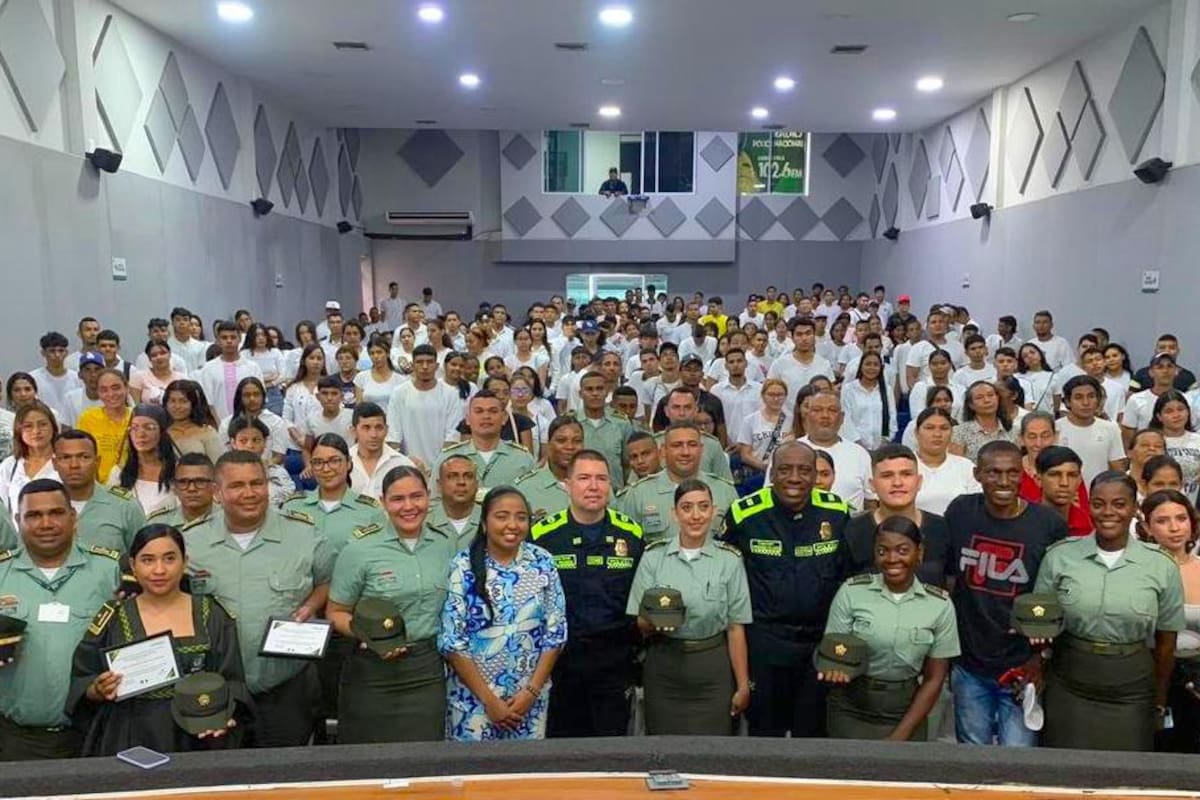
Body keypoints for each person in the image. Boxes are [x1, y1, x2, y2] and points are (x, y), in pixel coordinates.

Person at [183, 451, 334, 747]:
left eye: (257, 483)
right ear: (217, 492)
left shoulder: (304, 534)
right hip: (215, 690)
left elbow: (328, 581)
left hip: (285, 686)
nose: (249, 493)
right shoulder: (190, 542)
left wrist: (311, 606)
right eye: (237, 486)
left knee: (284, 780)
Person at [67, 524, 249, 755]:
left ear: (185, 562)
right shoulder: (112, 616)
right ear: (133, 565)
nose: (159, 570)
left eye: (169, 559)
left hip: (199, 736)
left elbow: (233, 681)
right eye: (148, 560)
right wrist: (97, 688)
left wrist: (224, 715)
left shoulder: (212, 613)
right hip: (130, 735)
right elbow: (83, 678)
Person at [1034, 471, 1185, 751]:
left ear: (1134, 509)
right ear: (1088, 505)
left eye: (1119, 504)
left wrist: (1160, 699)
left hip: (1131, 686)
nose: (1108, 512)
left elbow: (1166, 642)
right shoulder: (1060, 556)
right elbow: (1039, 619)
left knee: (1125, 773)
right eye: (1098, 504)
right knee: (1065, 768)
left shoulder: (1160, 566)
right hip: (1070, 680)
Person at [720, 441, 851, 737]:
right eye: (785, 470)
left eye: (804, 470)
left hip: (818, 644)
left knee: (813, 734)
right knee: (765, 732)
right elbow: (725, 574)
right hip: (765, 643)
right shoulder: (744, 515)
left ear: (816, 476)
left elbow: (848, 576)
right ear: (772, 473)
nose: (794, 478)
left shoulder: (837, 512)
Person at [944, 440, 1068, 746]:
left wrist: (1040, 660)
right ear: (977, 474)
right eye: (993, 472)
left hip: (1022, 665)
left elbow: (1054, 598)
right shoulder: (960, 511)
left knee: (1018, 759)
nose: (1003, 481)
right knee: (973, 755)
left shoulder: (1047, 523)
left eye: (1012, 472)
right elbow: (948, 581)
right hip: (969, 664)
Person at [325, 466, 458, 743]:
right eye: (397, 499)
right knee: (368, 761)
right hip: (372, 671)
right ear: (383, 501)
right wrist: (367, 635)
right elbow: (336, 612)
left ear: (428, 497)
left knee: (423, 759)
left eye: (416, 496)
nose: (408, 506)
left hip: (426, 670)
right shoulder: (359, 550)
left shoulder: (445, 545)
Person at [0, 479, 120, 759]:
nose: (46, 523)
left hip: (92, 733)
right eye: (34, 515)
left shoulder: (109, 571)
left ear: (72, 517)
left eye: (55, 513)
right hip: (13, 737)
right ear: (18, 520)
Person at [531, 451, 644, 737]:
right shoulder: (543, 536)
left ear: (610, 485)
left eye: (600, 478)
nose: (593, 486)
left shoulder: (631, 535)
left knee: (612, 746)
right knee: (564, 748)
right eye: (583, 478)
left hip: (615, 659)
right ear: (567, 484)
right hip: (561, 661)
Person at [439, 486, 567, 740]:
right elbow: (452, 642)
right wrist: (489, 701)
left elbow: (556, 632)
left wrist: (530, 692)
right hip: (474, 703)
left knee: (524, 776)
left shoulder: (543, 562)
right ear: (485, 522)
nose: (512, 524)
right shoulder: (463, 567)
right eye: (502, 516)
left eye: (521, 517)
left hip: (527, 702)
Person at [628, 478, 751, 735]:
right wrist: (656, 622)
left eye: (703, 507)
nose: (696, 516)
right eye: (686, 508)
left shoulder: (730, 560)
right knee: (663, 747)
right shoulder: (653, 557)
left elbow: (735, 628)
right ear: (674, 514)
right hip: (664, 666)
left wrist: (742, 685)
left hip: (713, 668)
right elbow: (638, 621)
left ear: (713, 511)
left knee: (713, 749)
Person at [821, 515, 959, 740]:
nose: (892, 559)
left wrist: (899, 737)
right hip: (851, 708)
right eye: (882, 551)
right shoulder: (851, 592)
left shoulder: (940, 606)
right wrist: (834, 668)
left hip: (907, 710)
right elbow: (834, 652)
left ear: (919, 553)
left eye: (903, 550)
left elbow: (935, 678)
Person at [1139, 490, 1200, 752]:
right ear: (1147, 527)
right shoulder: (1137, 570)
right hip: (1146, 675)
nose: (1175, 528)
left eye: (1181, 518)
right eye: (1163, 521)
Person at [843, 445, 951, 586]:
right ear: (872, 485)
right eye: (887, 476)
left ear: (919, 482)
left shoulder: (941, 528)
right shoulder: (853, 530)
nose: (897, 483)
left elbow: (951, 581)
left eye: (906, 474)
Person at [619, 422, 738, 544]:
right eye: (677, 445)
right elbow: (629, 548)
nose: (685, 452)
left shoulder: (725, 492)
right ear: (663, 451)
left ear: (701, 449)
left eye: (692, 445)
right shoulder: (639, 494)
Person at [283, 433, 387, 557]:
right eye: (318, 462)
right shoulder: (293, 506)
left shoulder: (370, 511)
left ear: (348, 463)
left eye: (334, 461)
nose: (326, 469)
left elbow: (381, 558)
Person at [46, 430, 146, 554]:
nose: (74, 465)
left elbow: (145, 555)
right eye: (66, 457)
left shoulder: (125, 506)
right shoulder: (42, 505)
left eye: (84, 457)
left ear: (97, 462)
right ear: (54, 464)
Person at [432, 391, 534, 496]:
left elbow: (533, 500)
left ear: (504, 418)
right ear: (467, 419)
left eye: (493, 411)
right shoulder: (447, 458)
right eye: (479, 411)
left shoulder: (523, 459)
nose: (486, 416)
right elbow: (433, 501)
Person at [1016, 412, 1092, 538]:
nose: (1039, 443)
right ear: (1021, 439)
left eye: (1045, 436)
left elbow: (1083, 513)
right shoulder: (1013, 472)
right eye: (1032, 436)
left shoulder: (1069, 470)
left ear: (1055, 436)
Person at [387, 344, 464, 469]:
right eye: (419, 362)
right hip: (408, 467)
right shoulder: (399, 393)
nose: (425, 367)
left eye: (429, 362)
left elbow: (453, 437)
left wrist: (438, 469)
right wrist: (405, 465)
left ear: (437, 366)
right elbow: (393, 437)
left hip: (442, 468)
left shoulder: (451, 394)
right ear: (412, 365)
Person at [798, 391, 874, 511]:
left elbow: (871, 501)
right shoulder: (789, 452)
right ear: (806, 416)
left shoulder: (860, 454)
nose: (825, 415)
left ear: (842, 418)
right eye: (818, 410)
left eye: (832, 410)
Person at [1055, 375, 1127, 484]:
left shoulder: (1111, 428)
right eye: (1078, 397)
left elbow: (1117, 467)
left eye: (1091, 396)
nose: (1086, 403)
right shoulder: (1055, 429)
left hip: (1099, 495)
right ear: (1068, 402)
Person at [108, 404, 177, 516]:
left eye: (149, 427)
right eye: (134, 428)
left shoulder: (178, 471)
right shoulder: (118, 473)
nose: (140, 434)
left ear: (162, 432)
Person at [912, 408, 980, 516]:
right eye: (929, 428)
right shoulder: (903, 466)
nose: (937, 434)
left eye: (944, 428)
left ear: (952, 432)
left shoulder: (965, 466)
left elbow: (976, 505)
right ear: (916, 432)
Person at [0, 402, 59, 525]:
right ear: (18, 430)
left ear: (53, 427)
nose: (36, 431)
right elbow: (4, 511)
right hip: (19, 540)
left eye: (42, 424)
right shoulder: (9, 466)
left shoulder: (64, 461)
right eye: (28, 426)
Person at [514, 415, 582, 523]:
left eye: (577, 441)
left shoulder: (597, 485)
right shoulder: (525, 489)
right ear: (549, 445)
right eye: (561, 440)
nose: (570, 447)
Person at [196, 321, 264, 420]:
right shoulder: (208, 368)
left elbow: (260, 399)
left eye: (233, 337)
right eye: (224, 338)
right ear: (218, 340)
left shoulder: (252, 367)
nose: (229, 341)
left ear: (240, 339)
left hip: (250, 425)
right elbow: (208, 402)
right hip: (220, 425)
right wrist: (219, 426)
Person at [347, 402, 414, 500]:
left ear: (386, 430)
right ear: (353, 431)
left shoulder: (403, 464)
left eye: (379, 427)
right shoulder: (341, 464)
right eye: (366, 428)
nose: (373, 434)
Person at [75, 370, 132, 480]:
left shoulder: (137, 417)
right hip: (99, 487)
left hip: (132, 485)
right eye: (104, 390)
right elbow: (81, 455)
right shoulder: (88, 418)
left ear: (126, 388)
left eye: (116, 388)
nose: (111, 394)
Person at [1150, 391, 1200, 503]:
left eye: (1181, 409)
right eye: (1169, 411)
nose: (1176, 415)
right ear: (1159, 416)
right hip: (1159, 501)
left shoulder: (1198, 440)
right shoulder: (1152, 441)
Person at [1033, 446, 1093, 538]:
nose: (1064, 483)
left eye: (1072, 475)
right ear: (1038, 480)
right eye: (1055, 475)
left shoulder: (1087, 522)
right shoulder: (1024, 521)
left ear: (1079, 480)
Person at [841, 352, 896, 451]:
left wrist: (885, 441)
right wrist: (859, 444)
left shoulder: (887, 390)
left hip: (881, 448)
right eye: (868, 364)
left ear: (881, 368)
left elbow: (892, 417)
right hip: (854, 446)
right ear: (861, 366)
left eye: (876, 365)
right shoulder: (849, 389)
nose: (871, 368)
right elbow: (846, 419)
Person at [146, 453, 216, 528]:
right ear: (175, 488)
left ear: (215, 486)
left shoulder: (228, 521)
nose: (191, 488)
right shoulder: (158, 524)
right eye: (183, 482)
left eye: (200, 481)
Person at [950, 381, 1015, 461]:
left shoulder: (1013, 430)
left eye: (991, 395)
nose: (987, 400)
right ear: (971, 405)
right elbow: (957, 465)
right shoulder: (959, 432)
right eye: (979, 397)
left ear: (998, 398)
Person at [164, 380, 223, 463]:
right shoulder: (161, 433)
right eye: (172, 401)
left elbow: (218, 465)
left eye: (183, 401)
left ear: (193, 404)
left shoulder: (207, 432)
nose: (177, 406)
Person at [128, 340, 186, 406]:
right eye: (154, 355)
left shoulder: (182, 378)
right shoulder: (138, 377)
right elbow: (135, 407)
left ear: (170, 354)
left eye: (163, 353)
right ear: (149, 358)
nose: (159, 357)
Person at [354, 335, 405, 408]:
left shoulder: (400, 380)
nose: (376, 356)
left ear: (387, 353)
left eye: (379, 352)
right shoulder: (361, 377)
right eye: (372, 353)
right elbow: (358, 406)